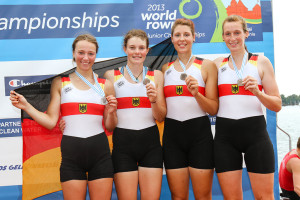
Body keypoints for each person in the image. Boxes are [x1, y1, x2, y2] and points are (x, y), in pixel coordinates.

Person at [10, 34, 117, 200]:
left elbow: (110, 127)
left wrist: (110, 112)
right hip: (71, 156)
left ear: (96, 55)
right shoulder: (60, 83)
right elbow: (51, 122)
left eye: (91, 53)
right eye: (81, 52)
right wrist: (26, 106)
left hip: (100, 154)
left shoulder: (105, 85)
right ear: (73, 53)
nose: (86, 58)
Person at [213, 15, 282, 199]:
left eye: (237, 33)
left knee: (264, 197)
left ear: (246, 33)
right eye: (228, 34)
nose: (232, 38)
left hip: (255, 136)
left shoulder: (260, 62)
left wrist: (258, 93)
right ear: (223, 37)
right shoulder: (217, 64)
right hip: (225, 138)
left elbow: (277, 105)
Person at [103, 29, 166, 200]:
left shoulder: (157, 76)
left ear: (147, 50)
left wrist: (153, 100)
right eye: (132, 48)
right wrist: (110, 111)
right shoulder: (111, 76)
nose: (137, 52)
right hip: (123, 145)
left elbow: (160, 117)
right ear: (125, 49)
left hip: (151, 145)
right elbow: (108, 123)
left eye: (141, 48)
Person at [161, 18, 218, 200]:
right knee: (178, 197)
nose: (182, 39)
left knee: (203, 196)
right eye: (177, 35)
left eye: (186, 35)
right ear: (172, 39)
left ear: (194, 37)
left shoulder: (207, 66)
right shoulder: (165, 69)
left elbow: (213, 109)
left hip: (199, 136)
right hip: (172, 137)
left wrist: (197, 94)